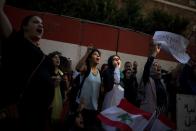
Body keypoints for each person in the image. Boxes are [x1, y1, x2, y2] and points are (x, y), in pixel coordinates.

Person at [0, 1, 54, 130]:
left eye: (42, 23)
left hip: (41, 116)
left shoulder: (46, 59)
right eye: (35, 22)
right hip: (21, 113)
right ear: (24, 27)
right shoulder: (18, 43)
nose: (40, 24)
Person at [69, 47, 103, 130]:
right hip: (81, 107)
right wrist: (87, 53)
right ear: (90, 57)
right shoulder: (86, 68)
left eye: (99, 55)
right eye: (95, 54)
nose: (98, 56)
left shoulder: (100, 72)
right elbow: (78, 68)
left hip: (93, 108)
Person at [139, 43, 168, 114]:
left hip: (162, 113)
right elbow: (147, 66)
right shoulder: (147, 79)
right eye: (155, 65)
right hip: (149, 112)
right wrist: (155, 53)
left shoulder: (162, 81)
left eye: (158, 66)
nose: (158, 67)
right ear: (151, 68)